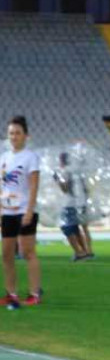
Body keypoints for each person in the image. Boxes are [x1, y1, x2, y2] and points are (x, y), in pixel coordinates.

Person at [2, 116, 41, 310]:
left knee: (28, 252)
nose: (14, 136)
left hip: (25, 211)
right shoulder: (4, 158)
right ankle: (11, 293)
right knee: (7, 253)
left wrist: (29, 210)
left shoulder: (30, 157)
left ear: (26, 135)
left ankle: (34, 293)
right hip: (7, 212)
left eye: (17, 133)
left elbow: (34, 186)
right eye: (11, 133)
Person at [52, 151, 94, 262]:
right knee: (81, 228)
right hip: (81, 203)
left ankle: (79, 252)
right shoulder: (78, 172)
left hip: (70, 204)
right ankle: (87, 251)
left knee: (67, 228)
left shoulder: (65, 172)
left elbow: (65, 189)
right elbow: (86, 189)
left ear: (61, 161)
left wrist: (57, 179)